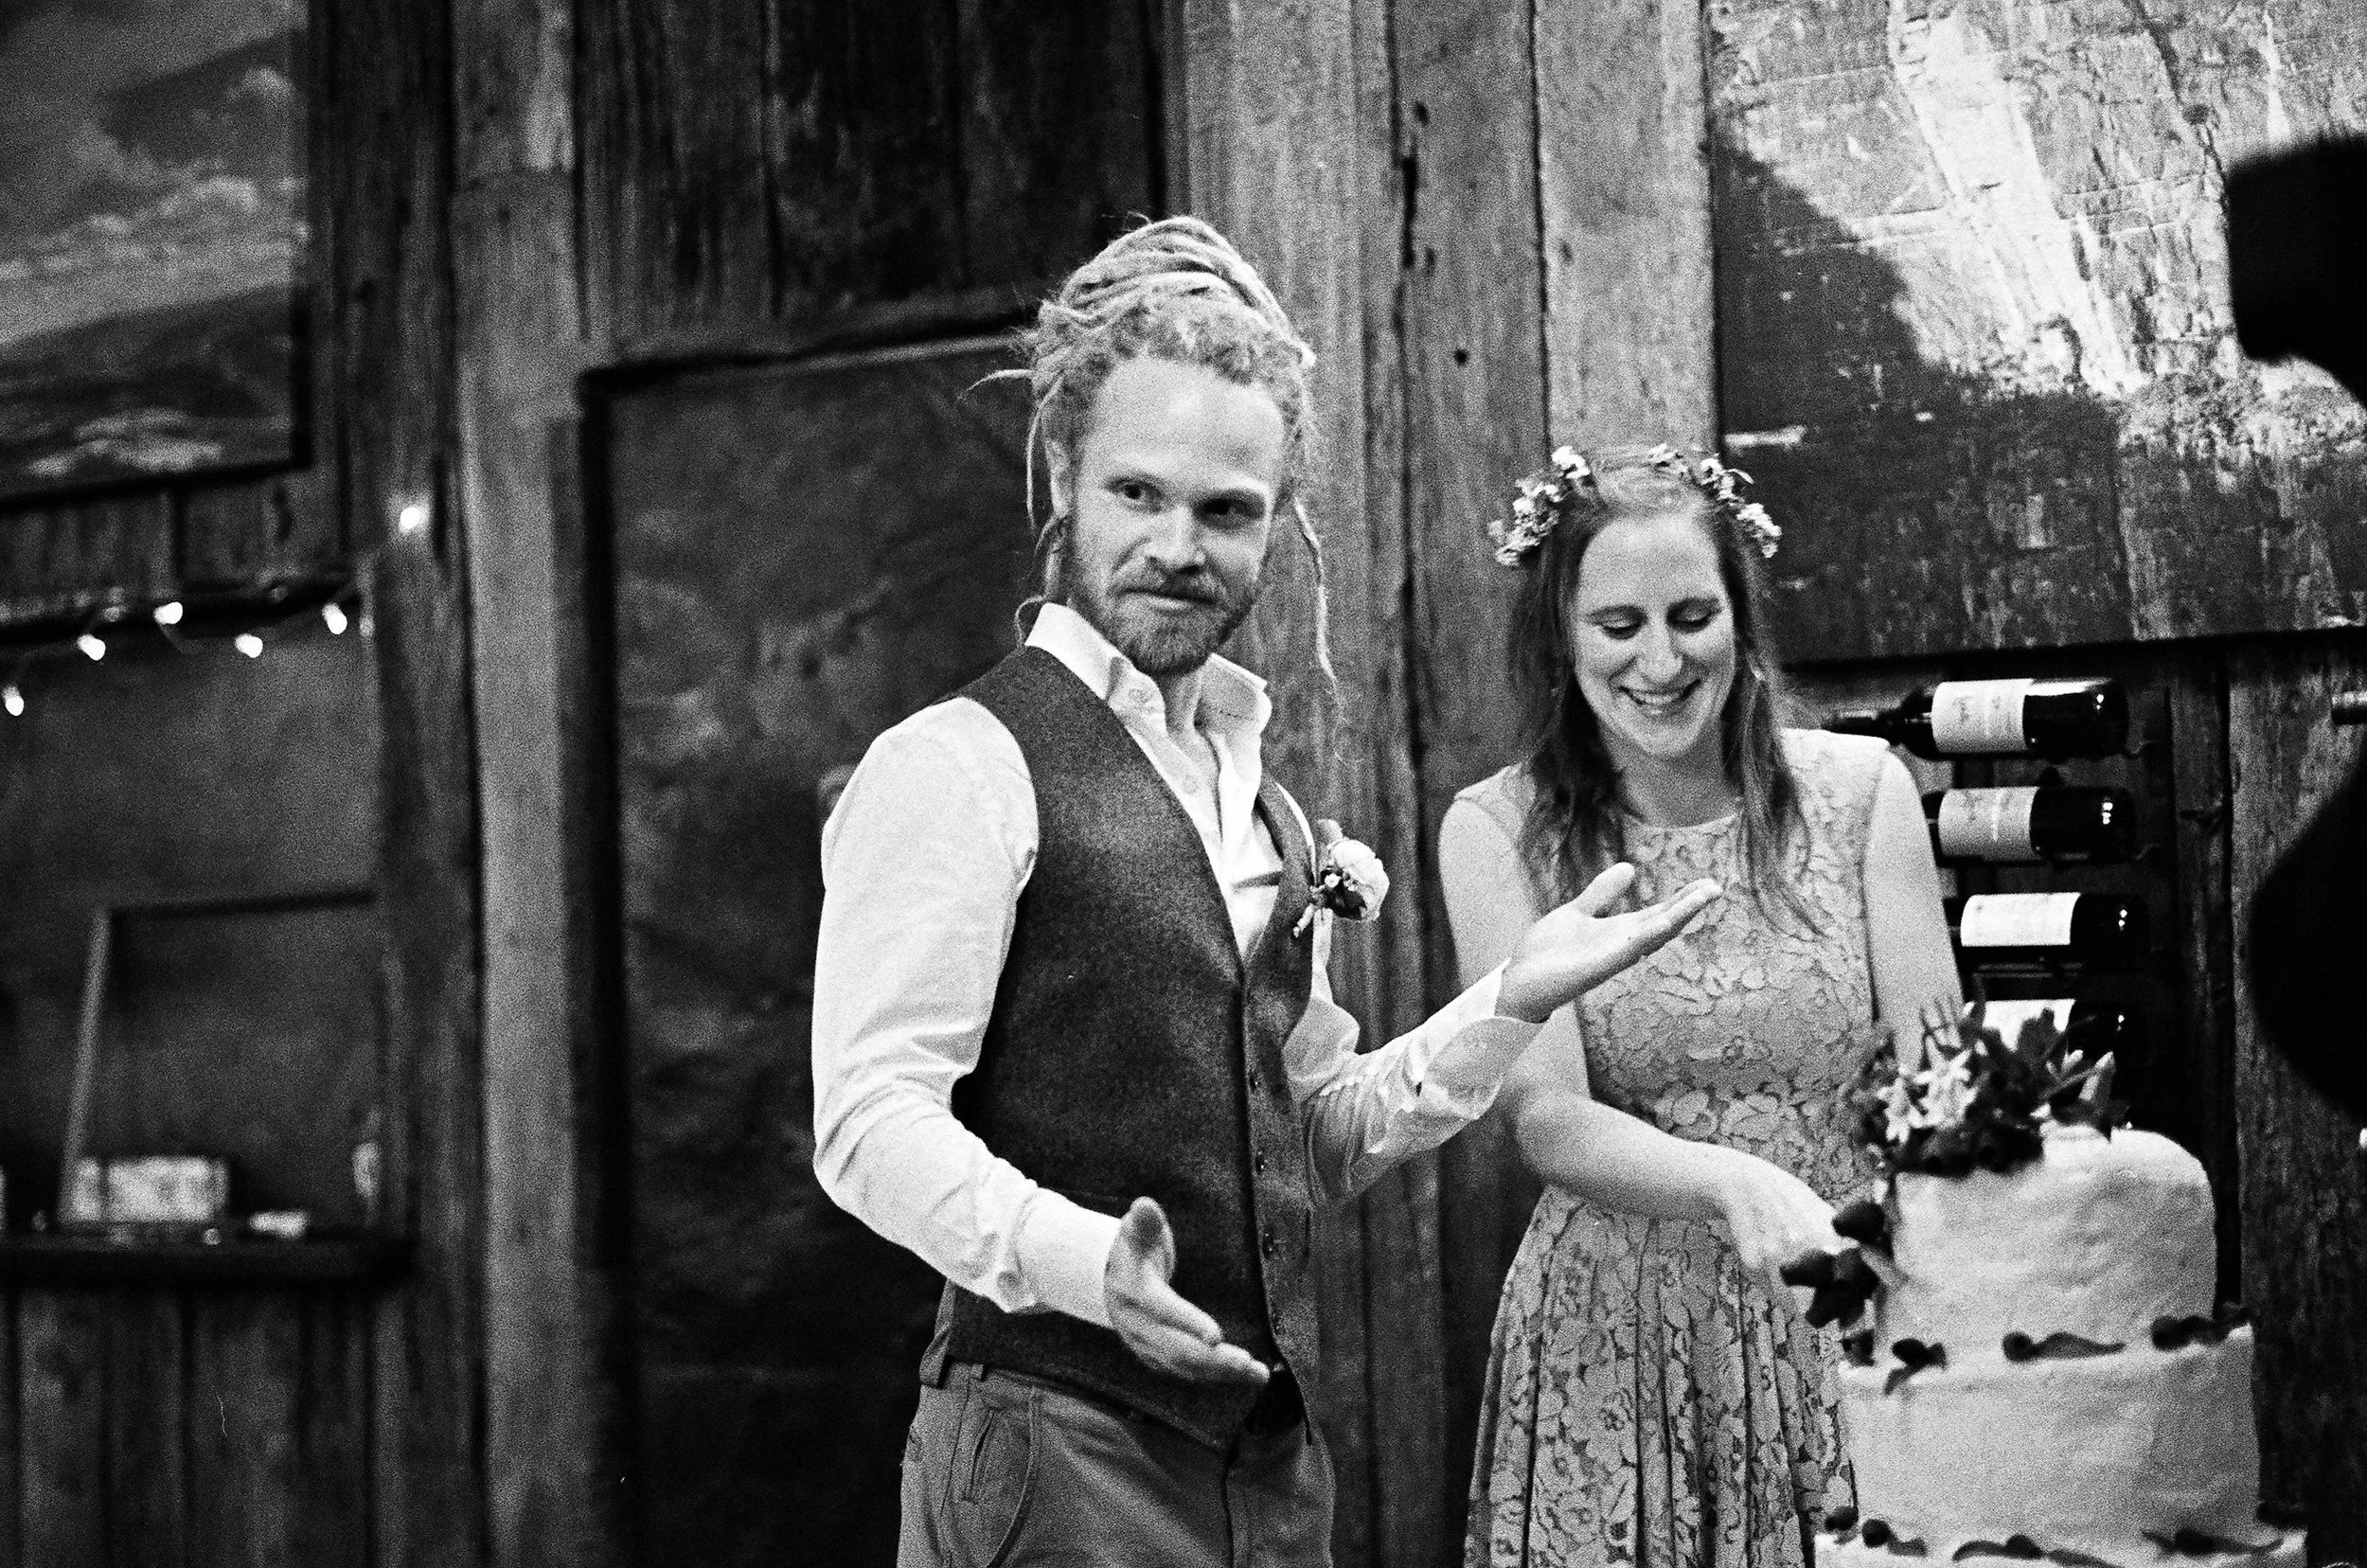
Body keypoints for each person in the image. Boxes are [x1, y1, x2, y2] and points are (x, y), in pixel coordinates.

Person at [810, 219, 1722, 1568]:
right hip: (1055, 1449)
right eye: (1139, 494)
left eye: (1226, 510)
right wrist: (1085, 1267)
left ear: (1276, 523)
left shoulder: (1265, 810)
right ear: (1066, 477)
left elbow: (1315, 1136)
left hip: (1267, 1468)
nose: (1181, 546)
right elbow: (867, 1119)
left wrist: (1515, 996)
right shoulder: (957, 766)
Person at [1444, 445, 1962, 1568]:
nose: (1661, 659)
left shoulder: (1860, 792)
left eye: (1691, 615)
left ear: (1741, 618)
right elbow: (1547, 1120)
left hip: (1839, 1302)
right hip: (1616, 1337)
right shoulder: (1495, 831)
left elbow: (1938, 1089)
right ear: (1560, 637)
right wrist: (1733, 1183)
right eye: (1617, 624)